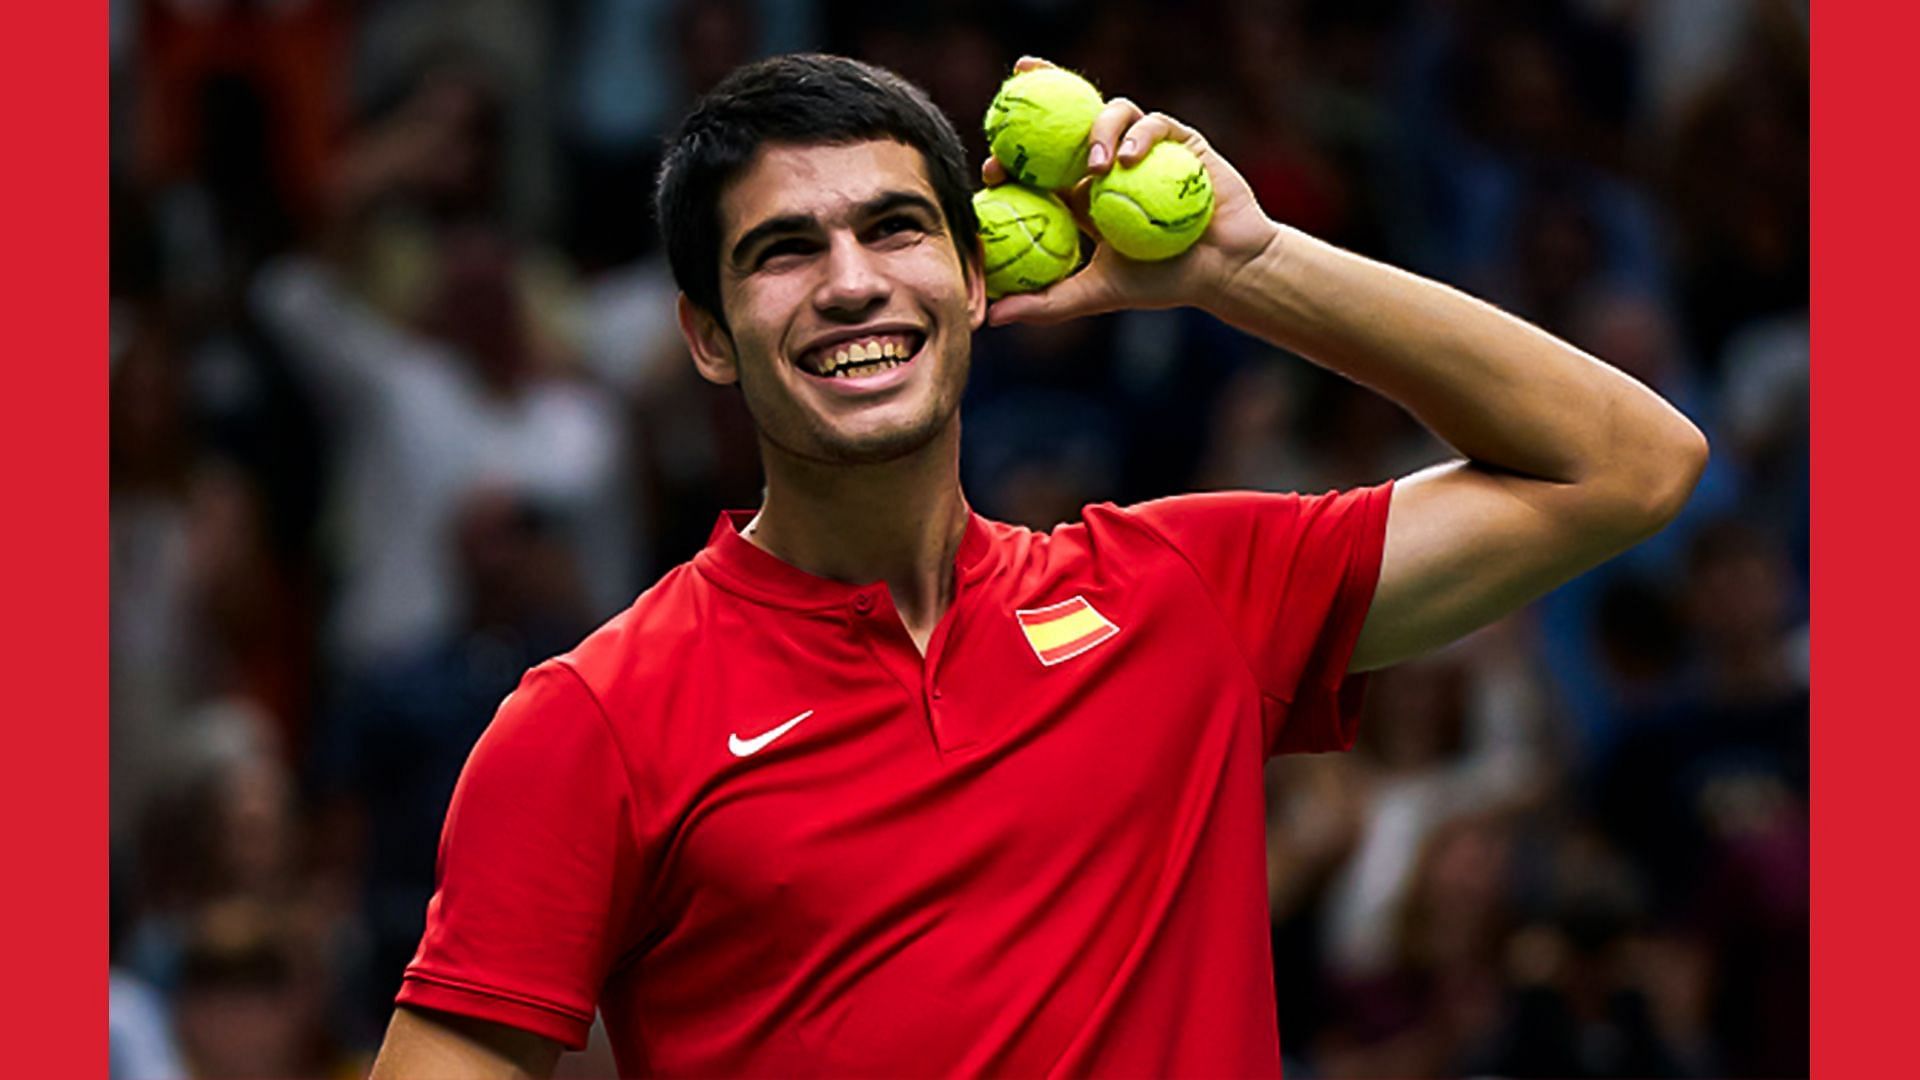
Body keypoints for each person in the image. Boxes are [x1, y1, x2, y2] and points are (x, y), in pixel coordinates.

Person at [369, 53, 1706, 1077]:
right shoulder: (592, 722)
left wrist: (1246, 266)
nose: (851, 284)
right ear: (708, 336)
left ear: (973, 272)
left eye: (895, 228)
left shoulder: (1179, 591)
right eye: (784, 251)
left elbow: (1628, 463)